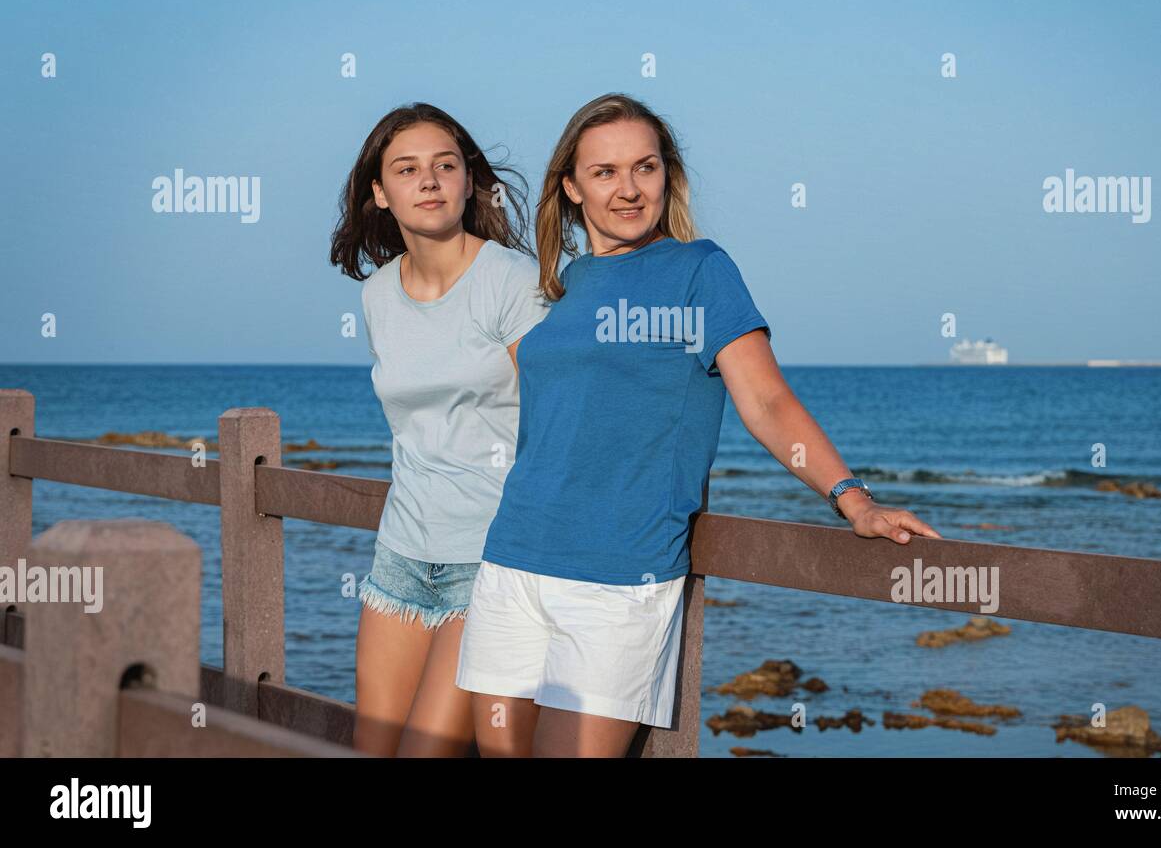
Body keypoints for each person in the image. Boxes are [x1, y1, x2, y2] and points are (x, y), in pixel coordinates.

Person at [454, 92, 942, 757]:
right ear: (570, 187)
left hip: (619, 575)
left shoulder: (700, 271)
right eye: (605, 172)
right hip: (514, 558)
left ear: (667, 175)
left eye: (644, 168)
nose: (628, 189)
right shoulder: (567, 282)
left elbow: (766, 401)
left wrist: (853, 499)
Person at [329, 103, 549, 756]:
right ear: (379, 191)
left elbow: (553, 423)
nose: (428, 181)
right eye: (407, 168)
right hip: (399, 557)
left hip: (489, 561)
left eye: (444, 165)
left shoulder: (512, 282)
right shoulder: (376, 296)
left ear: (469, 180)